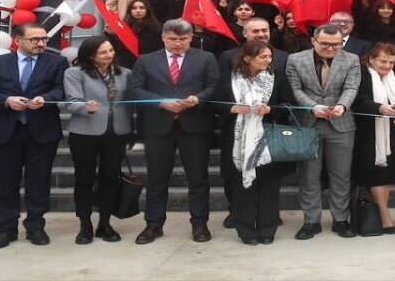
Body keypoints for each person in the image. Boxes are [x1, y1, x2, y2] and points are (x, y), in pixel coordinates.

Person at [126, 18, 219, 245]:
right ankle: (154, 225)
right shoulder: (146, 60)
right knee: (157, 179)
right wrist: (161, 102)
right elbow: (135, 89)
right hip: (158, 126)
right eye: (173, 39)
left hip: (194, 125)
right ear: (163, 38)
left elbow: (214, 86)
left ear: (190, 38)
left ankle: (199, 223)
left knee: (198, 178)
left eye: (183, 39)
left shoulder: (205, 58)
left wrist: (198, 98)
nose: (178, 44)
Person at [0, 24, 68, 249]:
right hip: (6, 130)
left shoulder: (56, 62)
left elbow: (61, 90)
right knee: (6, 184)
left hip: (42, 129)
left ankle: (35, 226)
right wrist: (7, 101)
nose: (41, 43)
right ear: (17, 40)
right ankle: (6, 229)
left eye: (44, 39)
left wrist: (44, 99)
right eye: (35, 39)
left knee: (39, 182)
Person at [215, 17, 293, 230]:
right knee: (241, 185)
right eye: (263, 57)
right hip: (237, 136)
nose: (268, 60)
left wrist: (271, 109)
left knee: (269, 184)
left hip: (268, 133)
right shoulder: (229, 77)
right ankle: (245, 227)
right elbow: (213, 103)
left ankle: (268, 227)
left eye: (270, 56)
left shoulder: (277, 77)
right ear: (248, 58)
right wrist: (232, 108)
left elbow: (289, 105)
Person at [286, 24, 362, 240]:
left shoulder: (352, 59)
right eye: (326, 44)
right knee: (309, 175)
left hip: (341, 123)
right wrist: (312, 107)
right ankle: (311, 221)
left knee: (341, 175)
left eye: (336, 44)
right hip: (309, 123)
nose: (331, 48)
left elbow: (351, 87)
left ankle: (340, 219)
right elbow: (296, 89)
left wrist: (342, 106)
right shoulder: (295, 60)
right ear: (313, 41)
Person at [62, 36, 133, 244]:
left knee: (110, 177)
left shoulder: (125, 73)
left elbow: (132, 101)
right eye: (103, 52)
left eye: (111, 51)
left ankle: (105, 223)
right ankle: (85, 225)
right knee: (84, 178)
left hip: (117, 132)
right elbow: (72, 101)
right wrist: (85, 107)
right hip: (85, 132)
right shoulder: (75, 73)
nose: (109, 55)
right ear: (90, 55)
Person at [351, 42, 395, 234]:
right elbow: (358, 101)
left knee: (386, 174)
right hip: (367, 131)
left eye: (391, 62)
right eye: (383, 61)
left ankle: (381, 211)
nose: (387, 66)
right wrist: (379, 108)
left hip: (391, 131)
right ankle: (384, 215)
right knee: (375, 174)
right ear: (371, 59)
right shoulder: (361, 74)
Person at [111, 0, 162, 68]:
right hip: (127, 65)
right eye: (134, 8)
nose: (138, 11)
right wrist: (111, 34)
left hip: (149, 65)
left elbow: (159, 50)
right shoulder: (123, 28)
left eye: (142, 8)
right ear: (130, 11)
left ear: (147, 10)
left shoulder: (157, 28)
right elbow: (116, 49)